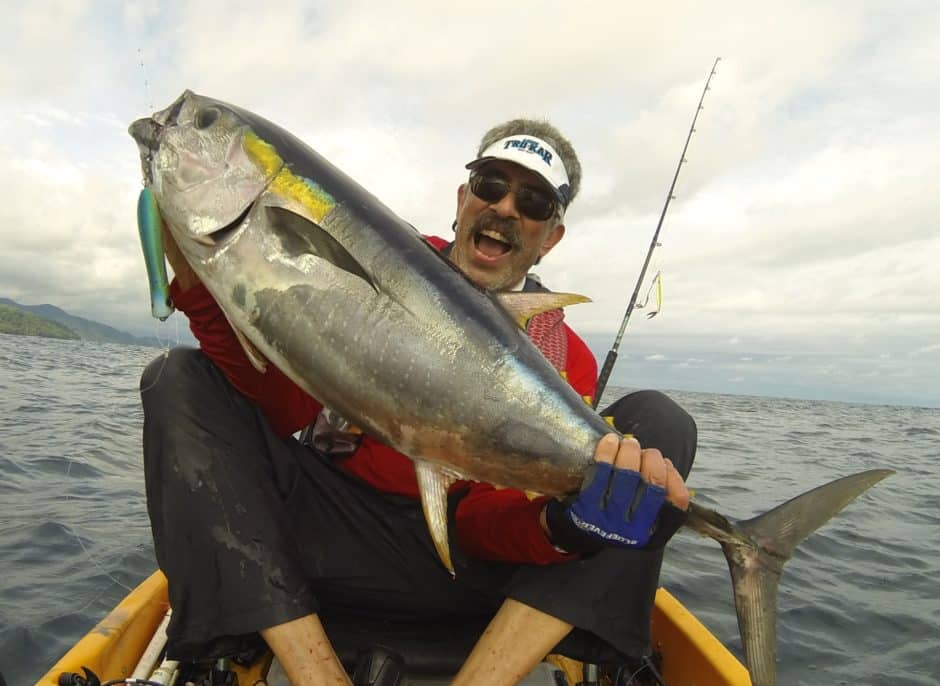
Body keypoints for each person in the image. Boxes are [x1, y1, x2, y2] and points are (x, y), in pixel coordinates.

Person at [142, 118, 698, 686]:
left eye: (532, 201)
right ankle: (318, 677)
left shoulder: (559, 358)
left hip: (463, 569)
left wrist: (567, 525)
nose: (506, 208)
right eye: (490, 185)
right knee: (177, 376)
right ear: (463, 199)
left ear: (550, 235)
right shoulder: (377, 258)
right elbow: (284, 410)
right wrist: (196, 283)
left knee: (658, 425)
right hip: (325, 532)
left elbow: (481, 525)